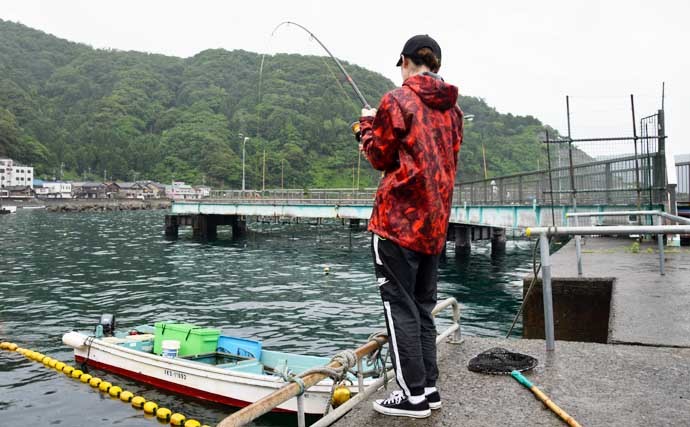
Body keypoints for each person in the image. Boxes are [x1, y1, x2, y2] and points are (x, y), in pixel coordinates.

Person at [358, 34, 463, 418]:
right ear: (435, 64)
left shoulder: (396, 100)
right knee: (422, 308)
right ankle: (428, 389)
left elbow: (380, 156)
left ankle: (412, 395)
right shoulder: (453, 112)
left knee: (400, 307)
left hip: (397, 223)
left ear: (405, 61)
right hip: (434, 225)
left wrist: (366, 127)